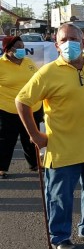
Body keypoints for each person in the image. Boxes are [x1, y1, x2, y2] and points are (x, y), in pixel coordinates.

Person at [15, 24, 84, 249]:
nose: (69, 43)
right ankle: (60, 237)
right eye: (64, 40)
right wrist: (35, 135)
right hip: (63, 148)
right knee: (59, 197)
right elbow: (22, 102)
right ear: (57, 44)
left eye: (74, 39)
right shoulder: (48, 72)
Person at [0, 36, 42, 178]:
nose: (22, 49)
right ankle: (2, 167)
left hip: (32, 108)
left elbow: (38, 80)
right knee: (6, 140)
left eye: (22, 46)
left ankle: (35, 164)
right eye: (18, 46)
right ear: (8, 49)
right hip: (7, 110)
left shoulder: (29, 62)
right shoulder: (1, 64)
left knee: (31, 137)